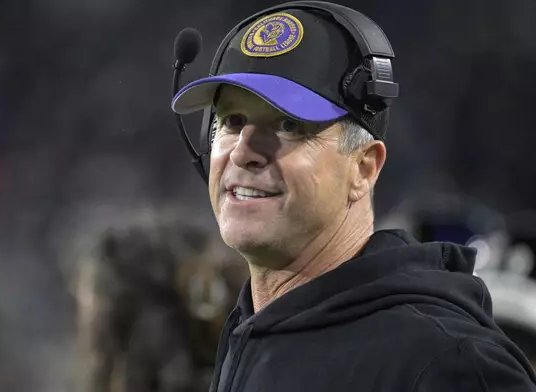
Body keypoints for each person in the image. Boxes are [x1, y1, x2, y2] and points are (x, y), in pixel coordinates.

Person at [170, 2, 536, 391]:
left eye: (289, 124)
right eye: (232, 121)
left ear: (363, 168)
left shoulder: (446, 363)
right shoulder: (255, 331)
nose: (243, 151)